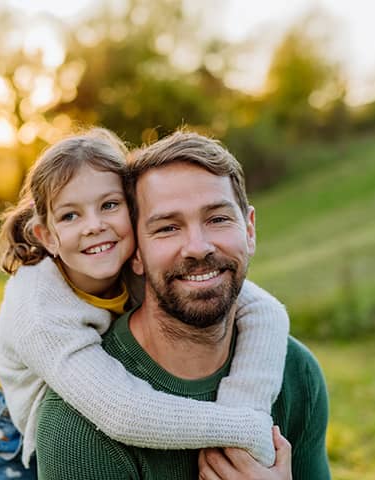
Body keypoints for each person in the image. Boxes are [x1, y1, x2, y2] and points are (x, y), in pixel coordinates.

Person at [0, 128, 290, 480]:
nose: (94, 226)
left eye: (109, 205)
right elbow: (122, 410)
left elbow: (264, 309)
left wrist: (245, 402)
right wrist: (242, 427)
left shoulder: (135, 258)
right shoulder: (38, 308)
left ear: (135, 214)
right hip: (9, 432)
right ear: (47, 236)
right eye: (70, 215)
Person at [35, 130, 331, 479]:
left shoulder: (296, 373)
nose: (198, 247)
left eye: (218, 219)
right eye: (167, 228)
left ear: (249, 230)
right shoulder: (76, 423)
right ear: (135, 254)